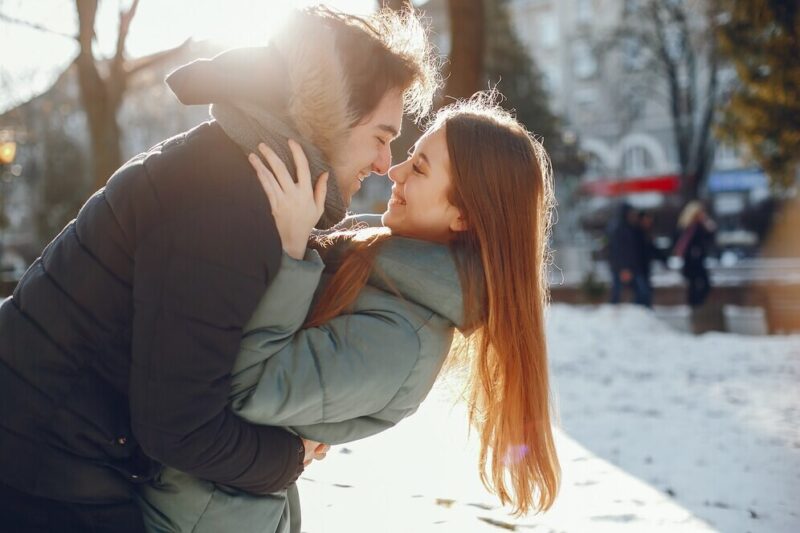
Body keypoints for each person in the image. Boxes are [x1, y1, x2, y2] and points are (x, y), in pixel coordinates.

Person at [0, 7, 438, 532]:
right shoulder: (228, 206)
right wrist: (289, 457)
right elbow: (178, 426)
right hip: (45, 468)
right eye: (380, 135)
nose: (383, 162)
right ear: (331, 116)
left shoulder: (235, 168)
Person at [136, 94, 562, 532]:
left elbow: (244, 386)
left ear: (463, 215)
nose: (394, 171)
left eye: (419, 168)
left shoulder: (404, 343)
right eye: (409, 156)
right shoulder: (374, 264)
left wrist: (290, 249)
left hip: (194, 516)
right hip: (183, 487)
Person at [673, 201, 717, 307]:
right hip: (690, 261)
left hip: (699, 260)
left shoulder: (701, 226)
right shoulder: (686, 227)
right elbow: (680, 242)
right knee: (694, 285)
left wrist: (707, 224)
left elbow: (710, 239)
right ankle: (695, 307)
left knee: (703, 284)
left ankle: (697, 305)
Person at [607, 202, 649, 306]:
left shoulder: (630, 227)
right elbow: (619, 251)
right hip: (623, 267)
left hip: (631, 267)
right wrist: (624, 268)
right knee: (619, 293)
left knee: (640, 292)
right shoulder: (619, 229)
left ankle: (638, 311)